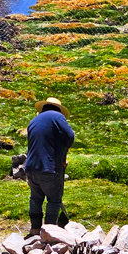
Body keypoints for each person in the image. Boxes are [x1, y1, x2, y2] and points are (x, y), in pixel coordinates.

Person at [24, 97, 75, 237]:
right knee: (54, 199)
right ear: (58, 109)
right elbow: (70, 136)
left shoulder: (34, 120)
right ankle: (49, 231)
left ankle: (35, 229)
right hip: (49, 167)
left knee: (36, 198)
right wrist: (64, 152)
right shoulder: (57, 116)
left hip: (31, 167)